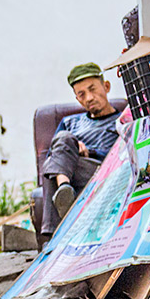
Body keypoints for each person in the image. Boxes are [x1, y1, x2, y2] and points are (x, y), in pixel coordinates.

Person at [40, 63, 125, 234]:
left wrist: (90, 152)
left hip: (104, 173)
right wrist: (73, 146)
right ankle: (65, 192)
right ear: (77, 99)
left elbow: (124, 154)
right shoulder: (70, 122)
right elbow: (53, 155)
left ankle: (50, 238)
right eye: (82, 94)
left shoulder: (122, 119)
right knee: (62, 143)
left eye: (92, 89)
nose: (89, 98)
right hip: (72, 173)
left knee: (55, 165)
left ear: (106, 86)